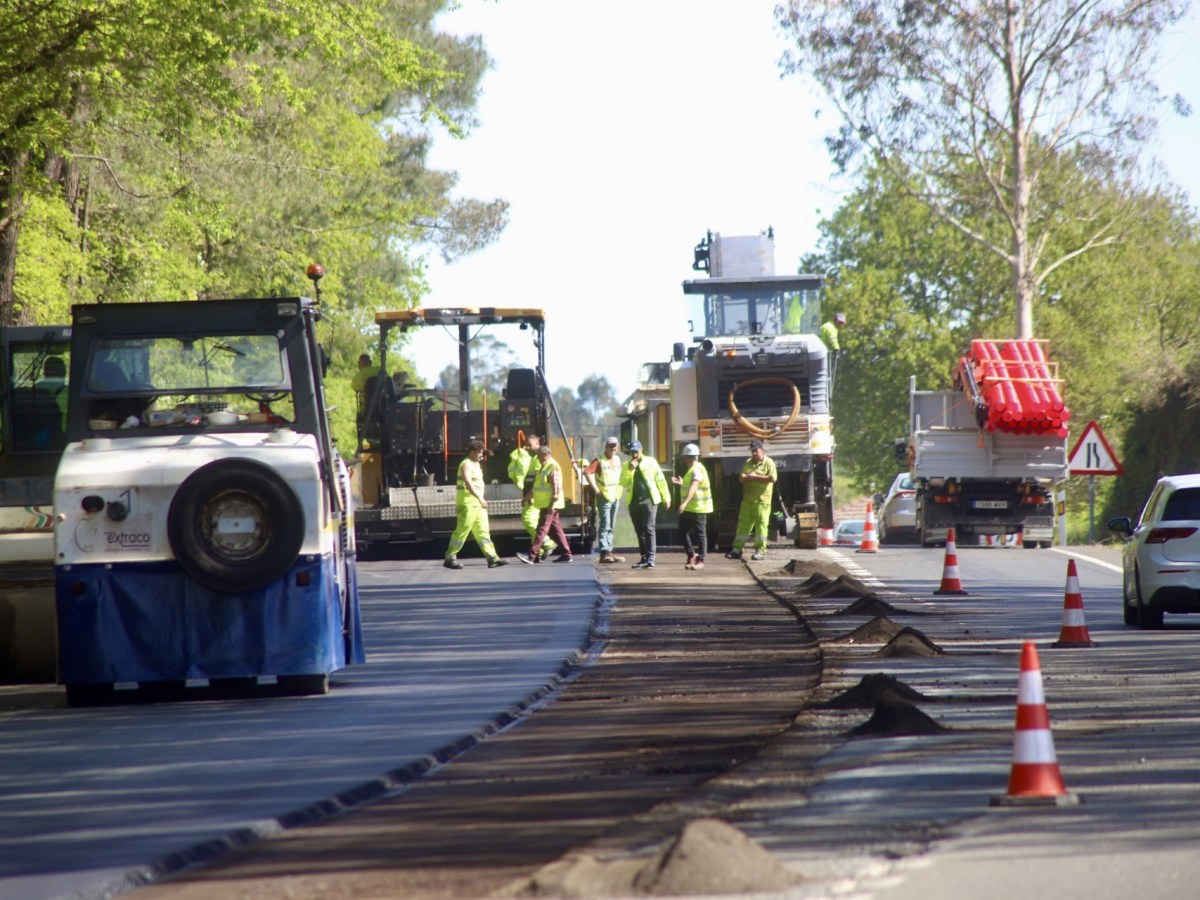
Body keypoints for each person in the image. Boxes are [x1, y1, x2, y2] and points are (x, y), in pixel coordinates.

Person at [445, 439, 509, 570]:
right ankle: (450, 557)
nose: (481, 455)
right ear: (472, 452)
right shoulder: (466, 464)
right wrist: (480, 498)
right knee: (462, 531)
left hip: (477, 504)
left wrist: (480, 500)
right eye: (479, 452)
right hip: (468, 503)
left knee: (483, 532)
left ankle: (492, 558)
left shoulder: (476, 464)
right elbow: (468, 483)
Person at [516, 444, 574, 564]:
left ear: (544, 454)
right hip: (545, 504)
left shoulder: (552, 466)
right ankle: (567, 554)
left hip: (549, 504)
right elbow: (537, 486)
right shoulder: (544, 467)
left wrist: (551, 506)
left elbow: (556, 489)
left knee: (541, 529)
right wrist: (527, 497)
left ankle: (531, 555)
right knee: (556, 530)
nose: (537, 458)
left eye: (538, 455)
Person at [619, 439, 670, 569]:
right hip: (634, 502)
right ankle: (644, 557)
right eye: (632, 452)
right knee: (639, 531)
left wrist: (666, 497)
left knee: (649, 528)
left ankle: (651, 557)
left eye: (636, 452)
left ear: (641, 450)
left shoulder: (650, 462)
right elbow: (623, 483)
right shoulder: (626, 465)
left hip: (649, 500)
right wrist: (630, 470)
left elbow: (661, 480)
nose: (634, 455)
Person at [726, 439, 778, 562]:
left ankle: (760, 551)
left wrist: (755, 477)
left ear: (762, 450)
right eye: (752, 451)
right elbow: (741, 477)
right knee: (743, 526)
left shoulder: (768, 463)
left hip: (762, 501)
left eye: (756, 451)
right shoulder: (748, 463)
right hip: (748, 500)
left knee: (761, 527)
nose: (754, 453)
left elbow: (773, 478)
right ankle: (737, 549)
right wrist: (743, 477)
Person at [507, 433, 556, 561]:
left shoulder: (539, 459)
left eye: (529, 445)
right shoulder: (533, 458)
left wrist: (531, 496)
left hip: (536, 496)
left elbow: (539, 480)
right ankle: (537, 552)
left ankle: (547, 543)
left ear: (537, 442)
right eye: (526, 445)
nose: (527, 447)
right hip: (534, 494)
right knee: (535, 522)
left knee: (528, 519)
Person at [671, 443, 712, 571]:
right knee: (682, 532)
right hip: (691, 508)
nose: (683, 460)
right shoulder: (692, 469)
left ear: (688, 457)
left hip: (698, 507)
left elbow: (694, 487)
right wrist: (682, 483)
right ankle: (691, 555)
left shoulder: (697, 469)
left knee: (701, 534)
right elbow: (691, 485)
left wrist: (683, 504)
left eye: (684, 457)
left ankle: (701, 560)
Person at [586, 436, 626, 564]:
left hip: (615, 496)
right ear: (606, 447)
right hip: (604, 496)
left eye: (615, 446)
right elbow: (587, 472)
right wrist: (596, 490)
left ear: (617, 447)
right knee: (605, 524)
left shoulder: (618, 459)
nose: (613, 448)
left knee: (611, 525)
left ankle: (610, 551)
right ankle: (603, 552)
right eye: (610, 446)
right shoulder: (599, 460)